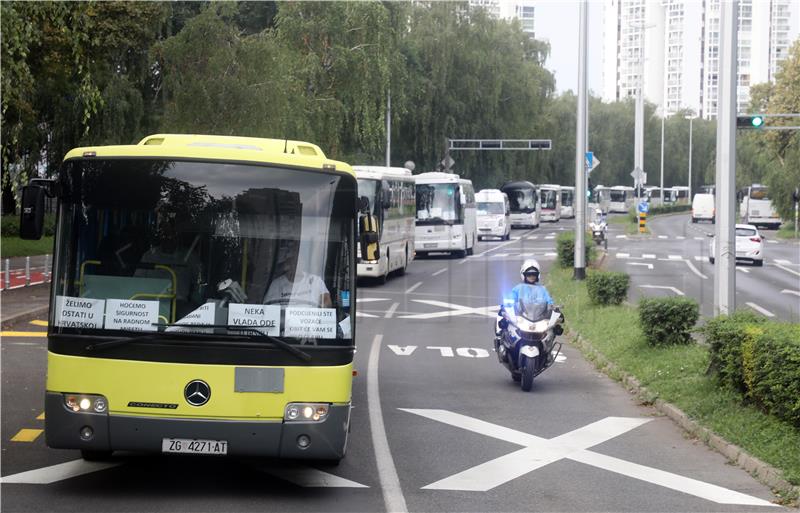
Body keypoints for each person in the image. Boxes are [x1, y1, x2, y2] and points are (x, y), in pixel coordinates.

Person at [263, 244, 332, 308]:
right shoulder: (277, 284)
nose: (295, 265)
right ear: (286, 264)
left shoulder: (315, 281)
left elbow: (327, 302)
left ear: (303, 263)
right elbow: (269, 308)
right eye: (291, 261)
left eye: (298, 261)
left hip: (310, 320)